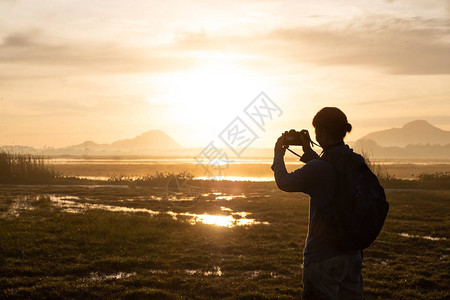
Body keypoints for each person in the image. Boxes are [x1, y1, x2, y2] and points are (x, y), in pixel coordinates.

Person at [271, 107, 363, 300]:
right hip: (353, 252)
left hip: (324, 254)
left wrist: (278, 155)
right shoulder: (355, 161)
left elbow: (284, 182)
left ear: (320, 132)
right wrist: (308, 152)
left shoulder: (320, 168)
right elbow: (330, 171)